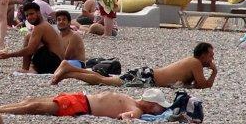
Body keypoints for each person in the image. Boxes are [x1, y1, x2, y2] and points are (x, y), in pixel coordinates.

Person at [51, 42, 217, 88]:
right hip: (147, 78)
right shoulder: (195, 63)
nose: (212, 57)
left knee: (103, 78)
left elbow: (194, 84)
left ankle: (69, 70)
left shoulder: (192, 62)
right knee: (103, 80)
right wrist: (214, 72)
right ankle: (69, 70)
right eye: (210, 54)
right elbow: (203, 86)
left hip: (147, 75)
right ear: (202, 55)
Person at [0, 87, 167, 120]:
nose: (155, 111)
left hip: (82, 105)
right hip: (79, 98)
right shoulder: (132, 101)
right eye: (157, 107)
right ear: (151, 104)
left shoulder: (135, 109)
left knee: (34, 107)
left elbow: (127, 117)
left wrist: (128, 117)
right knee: (31, 101)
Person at [0, 2, 65, 74]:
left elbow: (29, 50)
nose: (29, 17)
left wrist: (9, 55)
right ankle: (26, 68)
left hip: (53, 64)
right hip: (58, 63)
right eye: (27, 15)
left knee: (30, 39)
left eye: (31, 14)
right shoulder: (45, 24)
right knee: (29, 36)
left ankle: (26, 69)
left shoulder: (40, 27)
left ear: (38, 13)